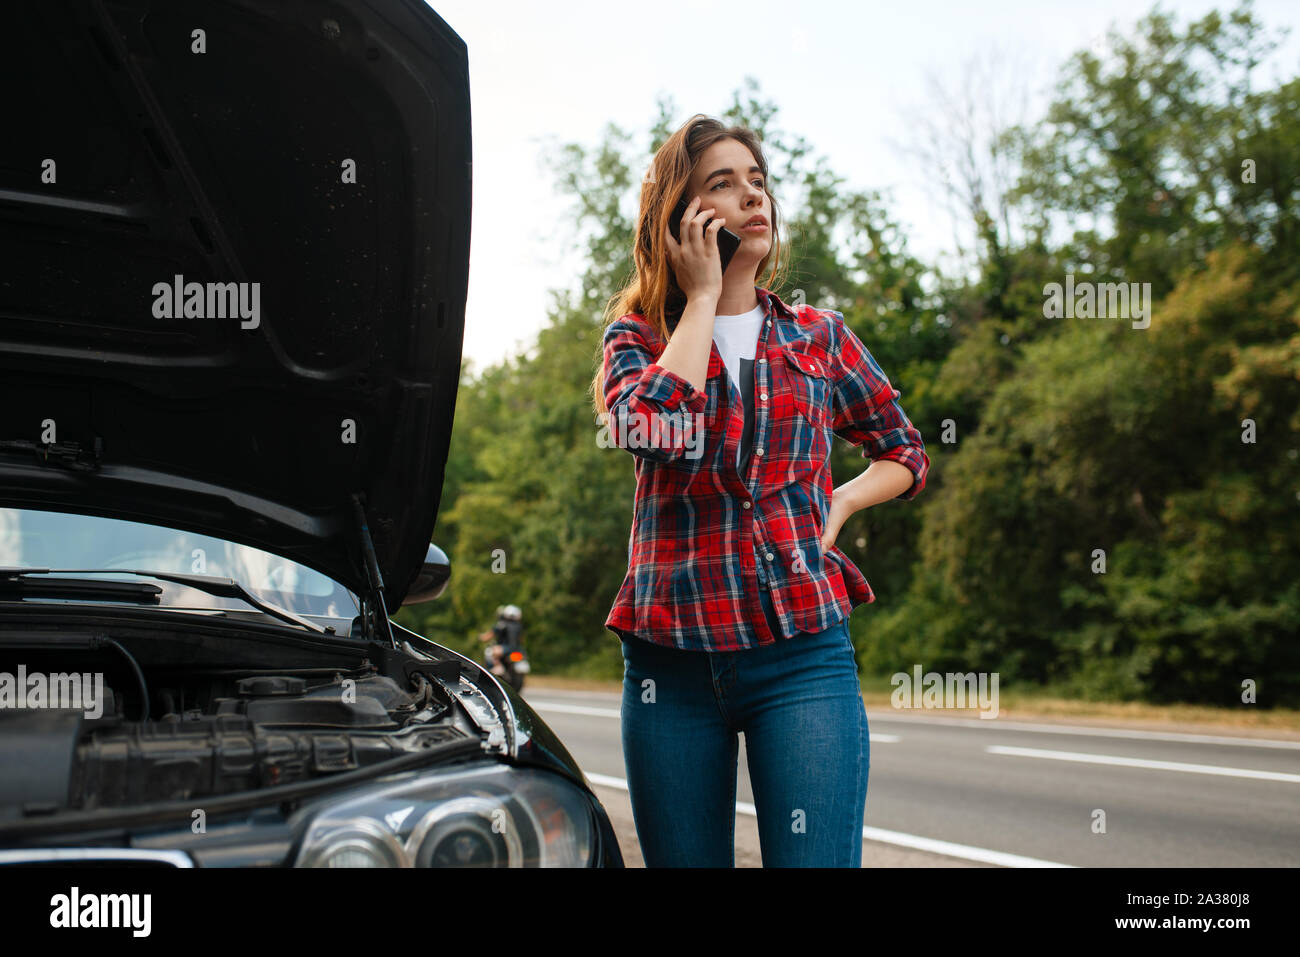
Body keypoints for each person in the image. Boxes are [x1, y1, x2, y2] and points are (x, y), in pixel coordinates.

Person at [589, 115, 930, 867]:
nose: (753, 197)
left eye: (758, 181)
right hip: (670, 665)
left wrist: (839, 500)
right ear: (681, 217)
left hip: (802, 656)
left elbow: (903, 450)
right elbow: (647, 428)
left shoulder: (820, 336)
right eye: (722, 184)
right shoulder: (638, 339)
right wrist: (703, 300)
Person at [479, 604, 523, 677]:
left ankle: (497, 666)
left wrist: (481, 637)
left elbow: (490, 635)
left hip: (506, 648)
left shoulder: (502, 624)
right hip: (518, 649)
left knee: (490, 652)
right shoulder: (519, 626)